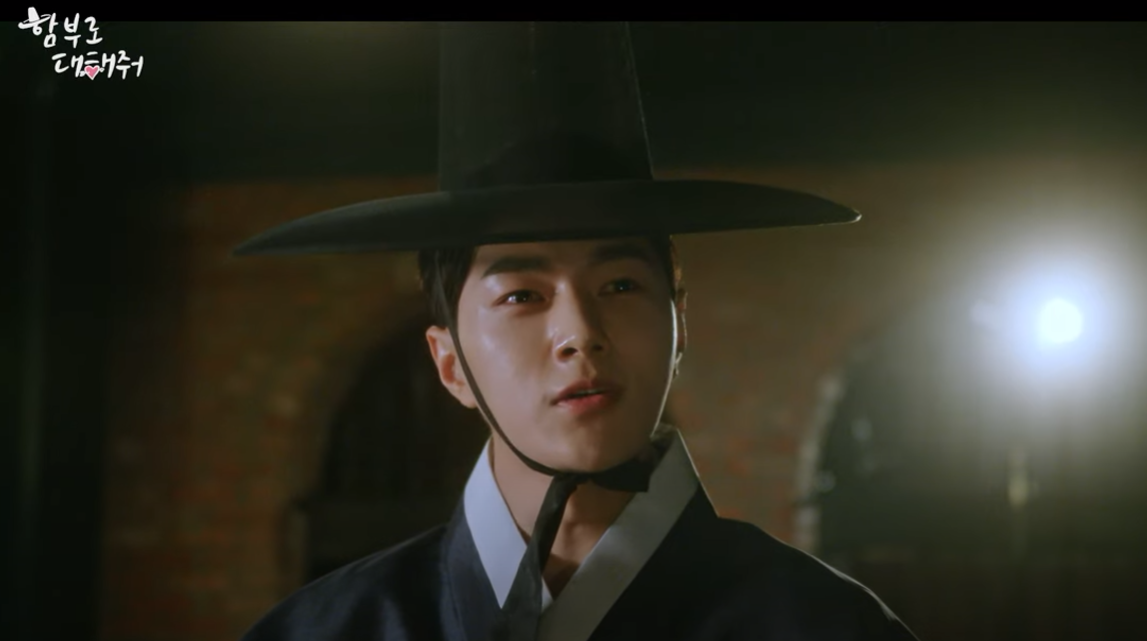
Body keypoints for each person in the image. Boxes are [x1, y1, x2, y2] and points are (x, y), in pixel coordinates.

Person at [234, 22, 919, 641]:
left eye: (619, 286)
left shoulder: (824, 626)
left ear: (679, 322)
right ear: (449, 364)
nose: (579, 333)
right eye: (522, 295)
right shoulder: (324, 631)